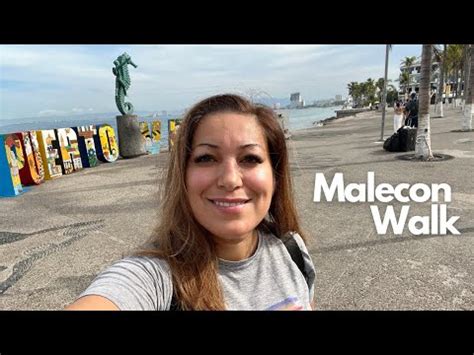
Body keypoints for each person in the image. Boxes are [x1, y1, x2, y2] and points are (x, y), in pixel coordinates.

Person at [66, 94, 316, 310]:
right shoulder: (156, 276)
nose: (230, 180)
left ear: (275, 175)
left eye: (250, 158)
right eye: (206, 158)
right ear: (182, 175)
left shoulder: (291, 250)